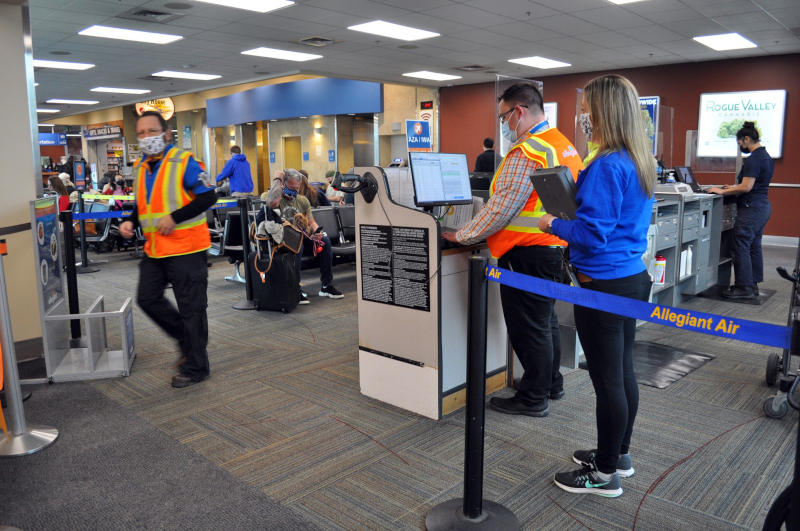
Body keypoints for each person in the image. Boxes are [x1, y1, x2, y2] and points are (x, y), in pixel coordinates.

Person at [538, 74, 655, 498]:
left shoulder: (607, 164)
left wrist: (553, 222)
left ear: (603, 112)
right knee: (621, 372)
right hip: (630, 279)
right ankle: (617, 454)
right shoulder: (638, 159)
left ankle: (605, 475)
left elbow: (591, 234)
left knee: (608, 381)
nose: (582, 116)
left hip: (603, 286)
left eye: (587, 108)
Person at [442, 82, 584, 418]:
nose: (504, 125)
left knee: (528, 326)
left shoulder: (529, 150)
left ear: (518, 112)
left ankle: (533, 398)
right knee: (545, 320)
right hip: (554, 250)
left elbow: (503, 206)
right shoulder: (562, 145)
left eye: (505, 117)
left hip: (527, 252)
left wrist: (462, 235)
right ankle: (551, 382)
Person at [119, 110, 217, 389]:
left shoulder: (184, 162)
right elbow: (143, 204)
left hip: (187, 247)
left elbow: (209, 195)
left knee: (192, 309)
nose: (146, 137)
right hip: (156, 249)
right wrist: (130, 220)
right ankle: (188, 341)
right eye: (141, 133)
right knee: (147, 298)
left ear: (166, 133)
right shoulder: (139, 166)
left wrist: (175, 217)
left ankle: (197, 367)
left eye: (151, 131)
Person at [707, 121, 773, 300]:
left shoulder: (753, 159)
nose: (740, 147)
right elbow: (753, 184)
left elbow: (746, 187)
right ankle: (752, 284)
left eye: (740, 143)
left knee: (740, 245)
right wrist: (734, 187)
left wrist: (723, 190)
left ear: (746, 139)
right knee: (753, 246)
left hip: (751, 208)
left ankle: (743, 287)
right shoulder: (765, 156)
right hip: (762, 206)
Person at [260, 169, 343, 304]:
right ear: (283, 185)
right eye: (292, 188)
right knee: (298, 244)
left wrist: (317, 232)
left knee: (325, 241)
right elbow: (272, 203)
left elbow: (311, 221)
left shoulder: (302, 200)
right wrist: (277, 180)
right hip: (281, 241)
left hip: (302, 237)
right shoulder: (271, 196)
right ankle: (295, 288)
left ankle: (326, 285)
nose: (296, 191)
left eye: (298, 188)